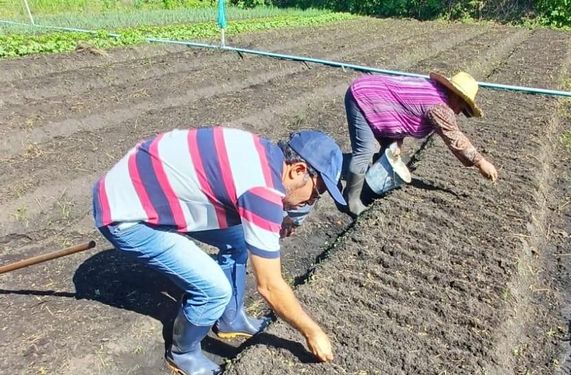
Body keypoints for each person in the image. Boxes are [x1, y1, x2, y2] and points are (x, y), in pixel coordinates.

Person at [92, 126, 345, 375]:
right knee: (213, 290)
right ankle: (183, 354)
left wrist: (280, 217)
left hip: (153, 184)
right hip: (125, 213)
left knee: (238, 240)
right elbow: (270, 286)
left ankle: (231, 320)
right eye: (316, 192)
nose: (311, 201)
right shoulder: (261, 191)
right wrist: (313, 331)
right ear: (298, 170)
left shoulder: (267, 156)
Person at [344, 71, 499, 216]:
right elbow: (454, 136)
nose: (459, 113)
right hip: (363, 97)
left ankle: (368, 189)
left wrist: (397, 142)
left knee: (389, 151)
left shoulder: (435, 92)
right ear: (456, 96)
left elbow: (403, 111)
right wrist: (481, 162)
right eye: (462, 108)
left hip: (376, 98)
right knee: (363, 152)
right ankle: (352, 202)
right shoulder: (439, 106)